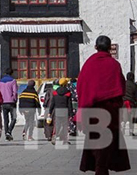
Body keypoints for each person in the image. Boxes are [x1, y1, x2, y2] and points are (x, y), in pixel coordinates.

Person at [78, 35, 131, 174]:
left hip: (92, 112)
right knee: (106, 147)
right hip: (109, 112)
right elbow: (121, 87)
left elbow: (81, 87)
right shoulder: (114, 64)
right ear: (109, 48)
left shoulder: (88, 64)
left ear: (96, 47)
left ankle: (100, 169)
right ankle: (101, 170)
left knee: (97, 145)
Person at [47, 77, 73, 145]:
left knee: (57, 125)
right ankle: (65, 140)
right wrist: (71, 114)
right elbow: (69, 104)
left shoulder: (55, 92)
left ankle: (55, 137)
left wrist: (50, 112)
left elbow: (52, 103)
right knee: (65, 126)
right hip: (65, 111)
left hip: (57, 111)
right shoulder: (68, 93)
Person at [0, 68, 19, 141]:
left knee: (6, 119)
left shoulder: (0, 82)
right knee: (14, 118)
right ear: (11, 73)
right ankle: (9, 131)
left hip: (3, 102)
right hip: (11, 102)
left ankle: (6, 133)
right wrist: (15, 99)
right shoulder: (13, 81)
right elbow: (15, 92)